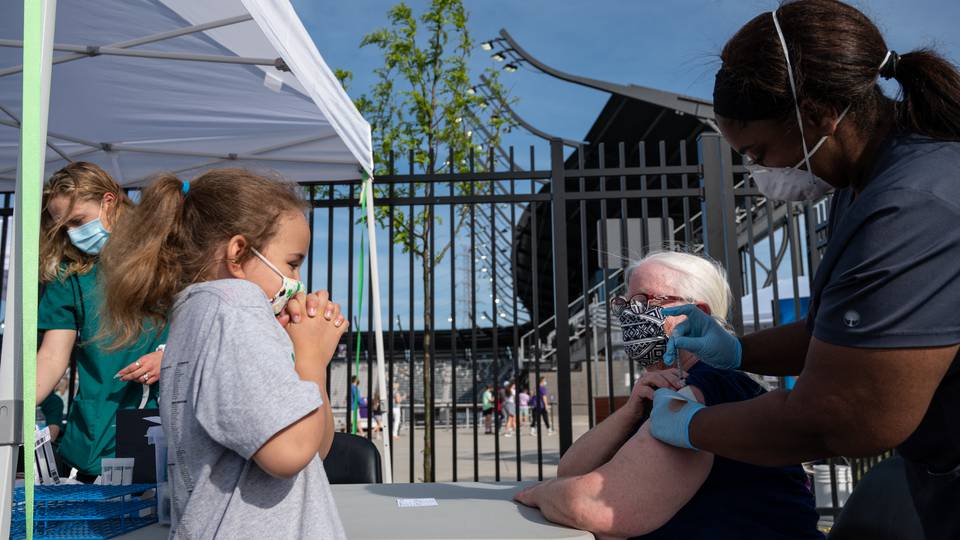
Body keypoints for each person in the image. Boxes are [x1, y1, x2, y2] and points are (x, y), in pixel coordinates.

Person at [647, 3, 960, 539]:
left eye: (760, 150)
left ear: (819, 115)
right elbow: (836, 331)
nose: (760, 170)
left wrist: (689, 425)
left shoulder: (912, 204)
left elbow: (841, 418)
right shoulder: (860, 187)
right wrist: (741, 349)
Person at [99, 169, 347, 539]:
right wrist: (311, 357)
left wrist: (310, 362)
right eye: (293, 263)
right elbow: (291, 452)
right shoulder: (236, 311)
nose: (297, 279)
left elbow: (315, 446)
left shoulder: (200, 313)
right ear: (238, 252)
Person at [515, 252, 822, 539]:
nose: (632, 313)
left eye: (647, 300)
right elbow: (570, 470)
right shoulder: (669, 385)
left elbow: (598, 506)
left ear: (695, 314)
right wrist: (629, 412)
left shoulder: (704, 387)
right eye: (627, 302)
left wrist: (539, 493)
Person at [35, 162, 168, 482]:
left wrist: (170, 356)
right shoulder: (71, 274)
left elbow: (204, 326)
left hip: (159, 430)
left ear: (109, 202)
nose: (72, 234)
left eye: (77, 221)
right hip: (91, 438)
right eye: (62, 227)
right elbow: (52, 357)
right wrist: (13, 405)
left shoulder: (165, 258)